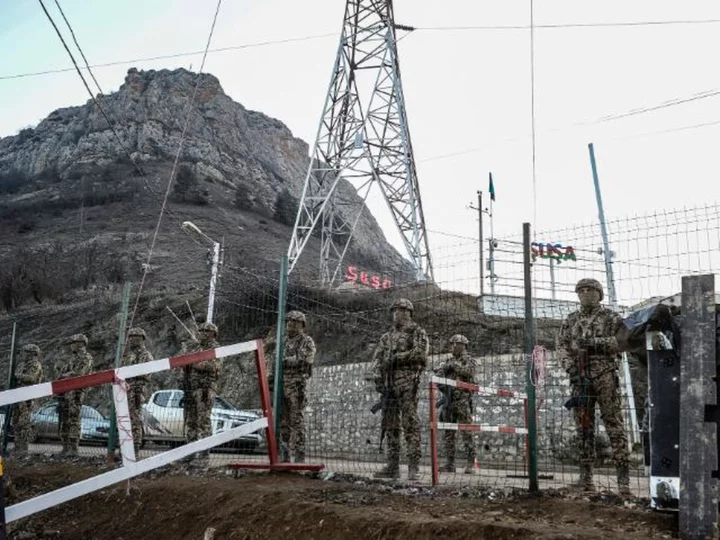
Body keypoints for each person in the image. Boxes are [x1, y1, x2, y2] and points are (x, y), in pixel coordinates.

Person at [557, 278, 630, 495]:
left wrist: (595, 344)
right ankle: (586, 479)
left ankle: (623, 483)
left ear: (599, 294)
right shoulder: (571, 320)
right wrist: (571, 368)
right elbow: (561, 346)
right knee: (583, 427)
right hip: (580, 377)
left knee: (613, 424)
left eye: (590, 290)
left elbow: (623, 342)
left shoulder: (611, 317)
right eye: (582, 290)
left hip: (605, 375)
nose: (586, 294)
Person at [371, 298, 428, 481]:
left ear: (409, 313)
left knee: (410, 424)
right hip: (389, 385)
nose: (397, 314)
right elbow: (377, 359)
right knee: (390, 425)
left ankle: (414, 466)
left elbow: (420, 354)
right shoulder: (386, 337)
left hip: (407, 383)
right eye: (395, 311)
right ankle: (392, 466)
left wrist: (399, 357)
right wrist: (378, 378)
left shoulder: (416, 332)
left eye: (402, 310)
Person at [269, 310, 316, 463]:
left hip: (296, 386)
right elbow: (274, 363)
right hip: (281, 385)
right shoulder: (282, 342)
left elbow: (305, 360)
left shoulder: (306, 341)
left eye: (294, 321)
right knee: (283, 421)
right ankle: (284, 453)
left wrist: (287, 361)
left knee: (296, 420)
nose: (290, 324)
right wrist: (271, 380)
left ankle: (300, 454)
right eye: (288, 321)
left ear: (302, 325)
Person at [435, 334, 477, 475]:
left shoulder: (469, 360)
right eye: (452, 344)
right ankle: (450, 463)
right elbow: (438, 377)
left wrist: (453, 366)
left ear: (464, 346)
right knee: (448, 433)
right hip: (448, 400)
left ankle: (470, 463)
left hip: (463, 400)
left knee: (467, 432)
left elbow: (468, 371)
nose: (454, 346)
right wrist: (445, 388)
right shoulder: (447, 361)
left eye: (457, 344)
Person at [182, 322, 221, 454]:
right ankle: (191, 451)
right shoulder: (196, 348)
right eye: (201, 331)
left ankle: (204, 453)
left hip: (205, 388)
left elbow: (211, 366)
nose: (202, 333)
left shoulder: (215, 349)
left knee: (203, 420)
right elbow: (184, 364)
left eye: (206, 331)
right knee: (191, 420)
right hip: (192, 388)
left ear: (213, 334)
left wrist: (193, 362)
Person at [56, 334, 93, 457]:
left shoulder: (86, 357)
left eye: (74, 343)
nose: (71, 346)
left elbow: (79, 373)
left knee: (74, 420)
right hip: (67, 392)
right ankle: (65, 447)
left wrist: (66, 375)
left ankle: (73, 448)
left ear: (81, 343)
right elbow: (62, 373)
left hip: (77, 392)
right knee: (65, 420)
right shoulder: (72, 359)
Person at [123, 327, 153, 457]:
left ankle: (134, 449)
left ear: (141, 338)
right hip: (125, 390)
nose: (131, 339)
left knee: (134, 420)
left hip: (136, 390)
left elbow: (145, 374)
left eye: (135, 336)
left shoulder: (146, 355)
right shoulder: (128, 355)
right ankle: (125, 447)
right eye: (130, 336)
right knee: (125, 420)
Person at [12, 344, 44, 455]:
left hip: (27, 397)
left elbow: (31, 378)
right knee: (15, 421)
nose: (23, 354)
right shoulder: (22, 364)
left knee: (24, 422)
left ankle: (23, 447)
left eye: (26, 352)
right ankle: (17, 445)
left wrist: (18, 375)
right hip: (18, 395)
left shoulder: (35, 365)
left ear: (32, 353)